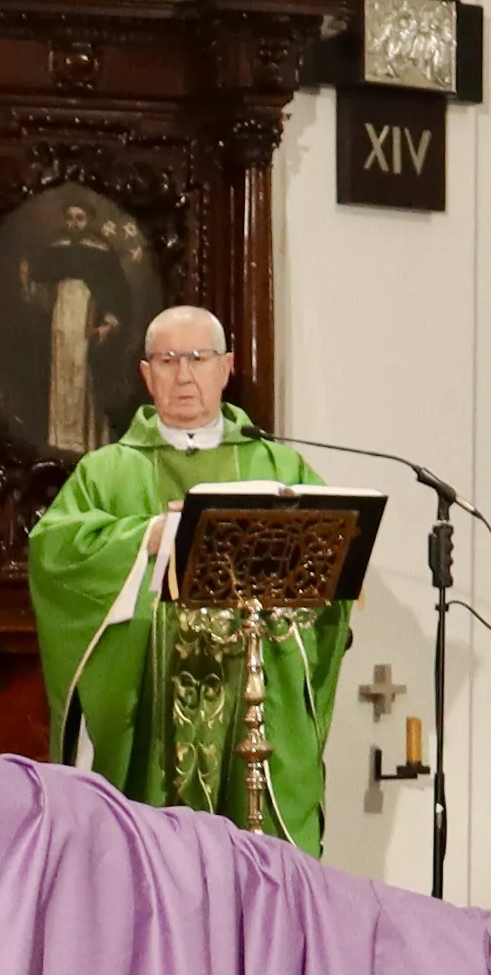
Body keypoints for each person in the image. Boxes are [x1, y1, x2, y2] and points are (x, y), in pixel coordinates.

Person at [23, 305, 344, 846]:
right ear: (147, 375)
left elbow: (329, 566)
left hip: (253, 694)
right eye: (168, 360)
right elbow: (54, 554)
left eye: (199, 358)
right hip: (152, 703)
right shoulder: (105, 472)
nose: (185, 374)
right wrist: (143, 539)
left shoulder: (278, 467)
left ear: (227, 368)